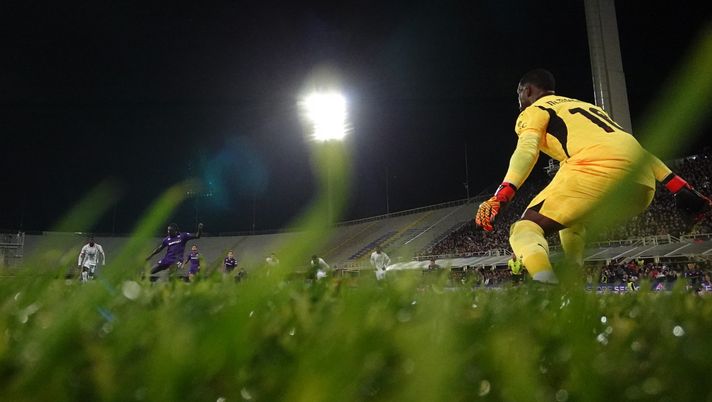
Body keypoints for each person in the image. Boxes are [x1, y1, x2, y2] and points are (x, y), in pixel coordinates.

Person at [475, 69, 711, 284]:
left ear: (527, 91)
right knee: (570, 220)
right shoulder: (589, 108)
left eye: (519, 93)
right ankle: (574, 276)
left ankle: (545, 286)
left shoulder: (536, 109)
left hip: (593, 171)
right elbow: (630, 146)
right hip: (641, 186)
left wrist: (503, 193)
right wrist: (679, 186)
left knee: (524, 228)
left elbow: (527, 149)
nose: (519, 99)